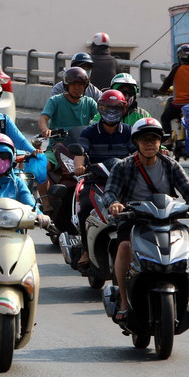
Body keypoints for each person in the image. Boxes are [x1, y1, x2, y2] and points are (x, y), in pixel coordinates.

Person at [104, 117, 189, 319]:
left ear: (160, 142)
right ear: (137, 142)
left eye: (154, 139)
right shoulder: (123, 166)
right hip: (135, 219)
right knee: (124, 246)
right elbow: (110, 193)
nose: (150, 143)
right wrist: (114, 204)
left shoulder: (171, 165)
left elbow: (188, 189)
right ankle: (124, 302)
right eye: (145, 139)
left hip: (166, 219)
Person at [74, 89, 136, 269]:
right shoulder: (89, 132)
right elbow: (81, 151)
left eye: (116, 108)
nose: (111, 112)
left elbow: (136, 153)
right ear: (100, 109)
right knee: (85, 207)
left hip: (122, 182)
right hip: (96, 181)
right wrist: (79, 166)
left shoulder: (129, 132)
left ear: (124, 110)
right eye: (107, 108)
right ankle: (86, 250)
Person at [37, 66, 98, 206]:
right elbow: (43, 119)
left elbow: (100, 119)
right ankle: (46, 204)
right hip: (58, 146)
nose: (77, 88)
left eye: (80, 85)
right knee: (40, 167)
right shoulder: (55, 101)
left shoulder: (90, 102)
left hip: (82, 148)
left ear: (85, 86)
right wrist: (46, 129)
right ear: (66, 86)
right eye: (74, 85)